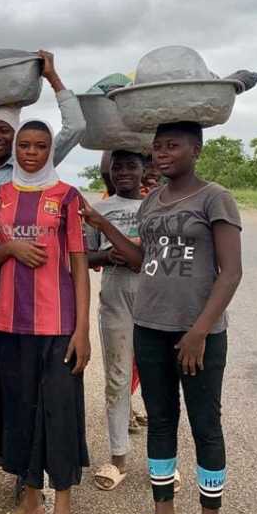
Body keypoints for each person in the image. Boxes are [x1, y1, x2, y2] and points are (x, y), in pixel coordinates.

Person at [80, 121, 242, 514]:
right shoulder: (153, 201)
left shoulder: (215, 198)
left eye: (173, 146)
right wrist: (101, 225)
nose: (162, 153)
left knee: (206, 425)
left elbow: (230, 272)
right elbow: (141, 260)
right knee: (162, 422)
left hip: (198, 335)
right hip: (150, 327)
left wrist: (199, 331)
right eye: (157, 147)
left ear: (197, 150)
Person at [0, 50, 85, 510]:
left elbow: (75, 128)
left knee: (19, 391)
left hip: (28, 303)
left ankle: (21, 471)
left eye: (4, 133)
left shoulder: (34, 169)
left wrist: (53, 77)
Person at [0, 119, 91, 514]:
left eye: (41, 146)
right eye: (25, 145)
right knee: (20, 412)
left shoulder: (68, 197)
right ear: (16, 149)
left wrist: (82, 329)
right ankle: (30, 498)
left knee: (59, 412)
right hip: (9, 325)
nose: (31, 153)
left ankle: (63, 508)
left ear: (50, 151)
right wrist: (10, 249)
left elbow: (79, 264)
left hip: (58, 326)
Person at [86, 150, 145, 491]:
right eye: (117, 166)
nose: (124, 172)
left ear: (143, 169)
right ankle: (118, 458)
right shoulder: (99, 210)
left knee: (159, 381)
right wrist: (108, 255)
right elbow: (83, 255)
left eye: (131, 166)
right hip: (115, 300)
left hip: (154, 300)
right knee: (117, 379)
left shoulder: (157, 206)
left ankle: (165, 462)